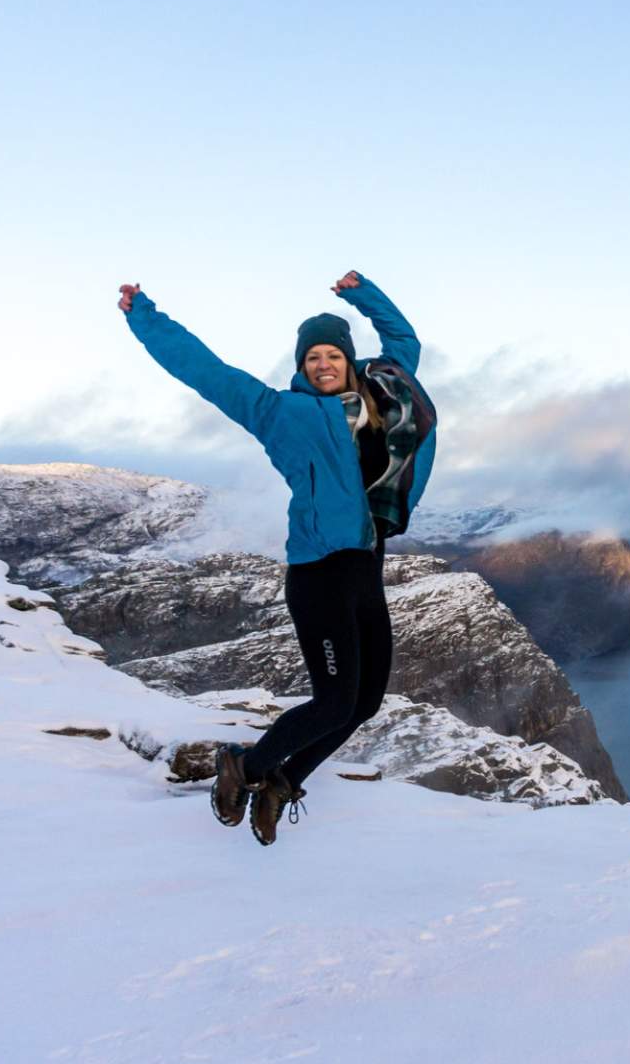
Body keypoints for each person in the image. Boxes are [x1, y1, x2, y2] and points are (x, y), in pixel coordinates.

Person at [116, 270, 438, 846]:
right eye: (311, 356)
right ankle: (245, 765)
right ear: (301, 364)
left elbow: (404, 340)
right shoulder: (278, 412)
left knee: (362, 704)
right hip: (319, 574)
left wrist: (362, 294)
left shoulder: (385, 392)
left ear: (347, 359)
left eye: (331, 354)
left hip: (365, 566)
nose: (322, 363)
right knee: (334, 700)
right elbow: (205, 371)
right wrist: (145, 317)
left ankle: (283, 779)